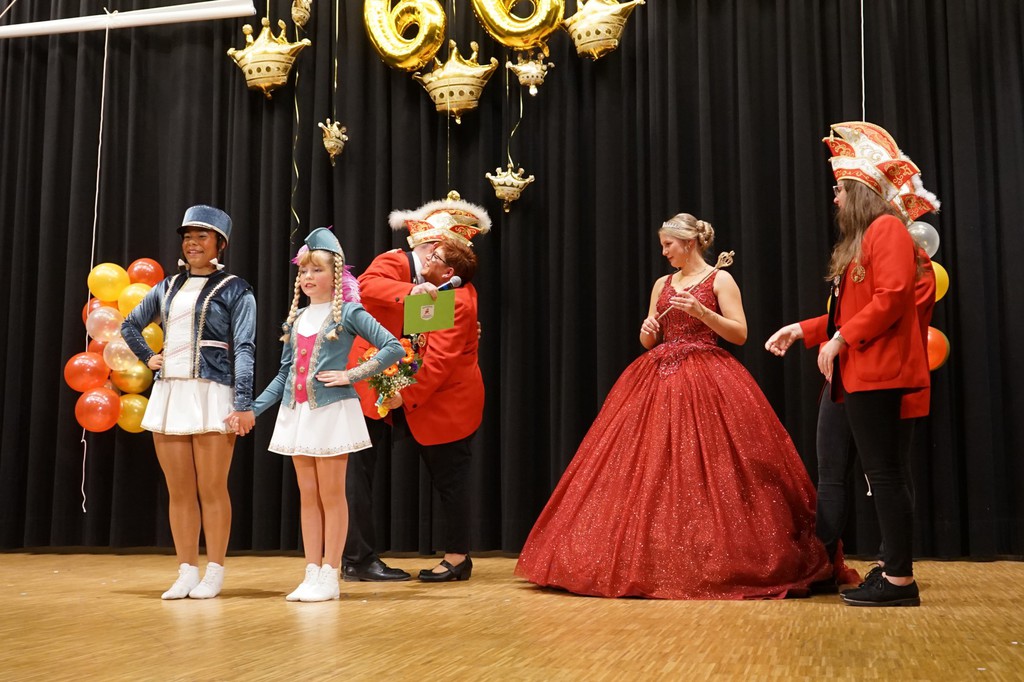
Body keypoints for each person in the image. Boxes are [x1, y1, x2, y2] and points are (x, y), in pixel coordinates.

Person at [515, 213, 831, 600]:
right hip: (656, 376)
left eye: (668, 245)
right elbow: (650, 337)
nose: (664, 252)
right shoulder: (662, 284)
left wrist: (703, 313)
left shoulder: (720, 279)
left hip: (706, 375)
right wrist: (647, 331)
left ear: (689, 243)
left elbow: (740, 333)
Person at [765, 121, 938, 607]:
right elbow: (850, 311)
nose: (835, 198)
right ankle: (827, 566)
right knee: (840, 471)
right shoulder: (862, 242)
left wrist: (840, 339)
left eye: (840, 189)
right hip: (853, 375)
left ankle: (899, 580)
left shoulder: (887, 230)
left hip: (879, 373)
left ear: (860, 192)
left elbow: (893, 296)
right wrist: (805, 330)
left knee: (885, 474)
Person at [342, 192, 490, 583]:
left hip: (429, 393)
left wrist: (403, 393)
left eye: (439, 255)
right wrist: (412, 291)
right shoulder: (396, 262)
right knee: (357, 471)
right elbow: (365, 286)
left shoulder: (454, 295)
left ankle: (456, 556)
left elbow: (437, 355)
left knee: (449, 476)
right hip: (374, 379)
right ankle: (357, 558)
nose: (429, 258)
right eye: (432, 250)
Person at [253, 228, 404, 601]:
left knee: (332, 494)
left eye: (316, 270)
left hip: (332, 413)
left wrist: (350, 375)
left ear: (335, 275)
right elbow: (284, 375)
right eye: (303, 270)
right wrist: (252, 410)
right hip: (298, 414)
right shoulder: (297, 318)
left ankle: (330, 574)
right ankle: (311, 572)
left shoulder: (349, 312)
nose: (307, 277)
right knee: (308, 495)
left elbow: (392, 347)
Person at [121, 204, 256, 599]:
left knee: (212, 488)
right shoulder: (166, 287)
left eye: (202, 236)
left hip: (213, 393)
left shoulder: (236, 289)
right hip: (171, 393)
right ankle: (186, 570)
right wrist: (148, 357)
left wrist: (243, 402)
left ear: (220, 244)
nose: (192, 243)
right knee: (178, 490)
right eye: (187, 236)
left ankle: (214, 570)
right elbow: (130, 324)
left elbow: (244, 347)